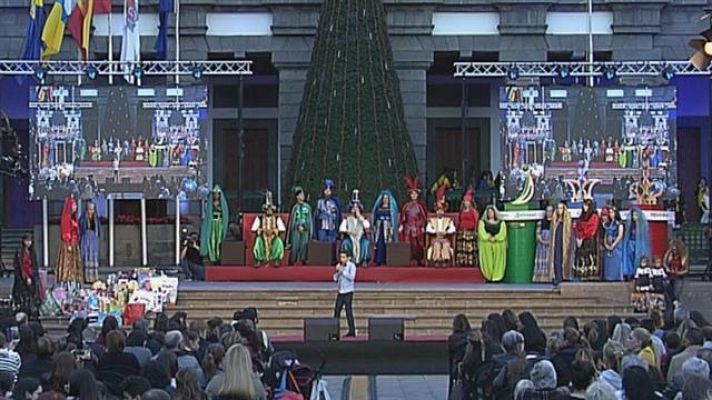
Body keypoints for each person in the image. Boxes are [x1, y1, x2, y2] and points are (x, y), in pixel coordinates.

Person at [97, 330, 141, 395]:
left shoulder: (102, 358)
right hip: (127, 391)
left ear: (107, 343)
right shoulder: (131, 357)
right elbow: (138, 375)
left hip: (107, 391)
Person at [251, 191, 286, 267]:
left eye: (270, 209)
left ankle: (276, 260)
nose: (269, 210)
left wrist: (275, 230)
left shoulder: (276, 218)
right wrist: (260, 230)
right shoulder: (260, 218)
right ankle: (259, 260)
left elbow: (282, 228)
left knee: (279, 241)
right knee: (258, 241)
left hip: (273, 237)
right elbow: (253, 228)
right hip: (263, 237)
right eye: (267, 209)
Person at [399, 175, 428, 266]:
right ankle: (408, 259)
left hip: (418, 227)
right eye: (412, 194)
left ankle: (419, 259)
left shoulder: (420, 206)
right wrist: (401, 225)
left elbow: (423, 217)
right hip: (408, 227)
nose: (414, 195)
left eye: (415, 194)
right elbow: (403, 217)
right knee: (408, 244)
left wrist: (423, 226)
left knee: (418, 245)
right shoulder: (406, 206)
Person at [56, 197, 83, 288]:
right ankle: (65, 283)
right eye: (74, 205)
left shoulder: (73, 217)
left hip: (74, 243)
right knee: (67, 264)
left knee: (74, 264)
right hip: (68, 245)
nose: (75, 207)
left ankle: (74, 283)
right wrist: (69, 244)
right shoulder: (66, 217)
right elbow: (65, 231)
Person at [339, 190, 370, 267]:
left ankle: (363, 260)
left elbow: (367, 226)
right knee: (345, 243)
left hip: (360, 238)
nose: (355, 210)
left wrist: (360, 217)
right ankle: (349, 260)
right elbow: (341, 229)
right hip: (350, 238)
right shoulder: (347, 218)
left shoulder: (363, 218)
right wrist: (349, 232)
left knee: (365, 243)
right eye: (353, 208)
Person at [12, 234, 40, 318]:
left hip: (31, 277)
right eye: (27, 241)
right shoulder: (19, 253)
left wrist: (32, 276)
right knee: (21, 297)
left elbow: (34, 265)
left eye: (30, 241)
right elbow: (19, 266)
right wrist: (25, 277)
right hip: (21, 278)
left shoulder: (32, 252)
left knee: (31, 296)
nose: (28, 243)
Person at [200, 185, 229, 265]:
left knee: (219, 240)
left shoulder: (222, 203)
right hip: (212, 223)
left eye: (217, 194)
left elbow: (225, 213)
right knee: (212, 239)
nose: (216, 195)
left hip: (219, 224)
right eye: (215, 193)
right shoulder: (210, 203)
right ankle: (212, 257)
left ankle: (219, 257)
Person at [478, 205, 507, 282]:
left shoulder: (501, 223)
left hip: (498, 244)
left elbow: (503, 233)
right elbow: (481, 233)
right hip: (487, 244)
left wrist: (496, 238)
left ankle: (497, 277)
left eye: (492, 212)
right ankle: (489, 276)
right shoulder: (482, 222)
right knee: (488, 261)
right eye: (489, 212)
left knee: (498, 261)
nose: (490, 214)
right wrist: (489, 237)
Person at [285, 186, 313, 266]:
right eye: (300, 195)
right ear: (297, 197)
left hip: (305, 229)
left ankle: (304, 259)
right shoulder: (295, 208)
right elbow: (292, 221)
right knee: (295, 245)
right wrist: (297, 226)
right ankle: (292, 260)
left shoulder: (307, 207)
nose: (302, 196)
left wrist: (305, 226)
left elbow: (309, 219)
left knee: (304, 244)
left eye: (303, 194)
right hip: (296, 229)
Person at [573, 198, 600, 280]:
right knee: (581, 257)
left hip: (590, 241)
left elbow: (592, 230)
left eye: (586, 205)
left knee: (590, 257)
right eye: (584, 205)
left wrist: (583, 236)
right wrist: (579, 237)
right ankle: (581, 275)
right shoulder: (581, 216)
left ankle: (591, 275)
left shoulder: (594, 216)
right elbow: (577, 227)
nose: (584, 207)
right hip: (581, 241)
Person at [425, 196, 456, 267]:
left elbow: (453, 229)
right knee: (436, 244)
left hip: (444, 238)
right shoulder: (432, 220)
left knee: (446, 245)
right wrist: (435, 231)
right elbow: (428, 229)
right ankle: (436, 261)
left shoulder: (448, 220)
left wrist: (446, 232)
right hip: (436, 238)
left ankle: (445, 260)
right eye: (438, 211)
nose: (440, 212)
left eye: (441, 210)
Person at [370, 190, 398, 266]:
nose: (385, 200)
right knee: (379, 245)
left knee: (388, 244)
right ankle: (379, 260)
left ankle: (387, 260)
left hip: (388, 229)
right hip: (380, 229)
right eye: (384, 198)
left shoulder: (391, 209)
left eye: (386, 198)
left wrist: (392, 228)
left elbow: (394, 219)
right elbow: (374, 217)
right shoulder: (378, 208)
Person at [623, 208, 651, 281]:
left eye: (636, 215)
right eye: (633, 215)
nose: (635, 217)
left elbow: (644, 236)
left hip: (639, 243)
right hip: (631, 243)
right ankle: (630, 273)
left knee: (639, 257)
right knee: (630, 258)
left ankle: (637, 273)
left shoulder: (643, 225)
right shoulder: (629, 225)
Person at [333, 251, 356, 337]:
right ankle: (334, 331)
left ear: (348, 258)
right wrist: (338, 272)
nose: (342, 259)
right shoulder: (340, 266)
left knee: (348, 311)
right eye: (341, 257)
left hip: (348, 291)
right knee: (337, 311)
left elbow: (352, 278)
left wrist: (343, 272)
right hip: (340, 291)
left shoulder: (351, 266)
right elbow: (335, 278)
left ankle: (352, 331)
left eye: (343, 257)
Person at [314, 179, 342, 249]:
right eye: (326, 189)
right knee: (322, 246)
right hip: (322, 227)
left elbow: (339, 216)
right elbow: (315, 217)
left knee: (331, 246)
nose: (327, 192)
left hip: (332, 227)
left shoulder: (335, 202)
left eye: (329, 190)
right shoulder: (319, 202)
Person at [549, 201, 573, 284]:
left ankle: (565, 276)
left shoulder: (567, 219)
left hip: (565, 242)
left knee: (565, 257)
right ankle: (557, 277)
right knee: (556, 258)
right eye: (558, 208)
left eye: (561, 208)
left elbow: (569, 232)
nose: (559, 210)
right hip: (556, 242)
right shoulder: (554, 219)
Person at [448, 314, 471, 396]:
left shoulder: (452, 338)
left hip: (457, 366)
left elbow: (451, 357)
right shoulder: (471, 337)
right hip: (470, 366)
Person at [456, 189, 479, 267]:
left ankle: (471, 262)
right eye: (465, 201)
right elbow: (459, 219)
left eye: (467, 201)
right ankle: (462, 261)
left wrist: (476, 230)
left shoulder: (473, 211)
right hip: (462, 232)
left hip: (470, 232)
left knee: (469, 248)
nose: (465, 203)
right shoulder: (462, 211)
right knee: (462, 248)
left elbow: (476, 221)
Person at [79, 201, 100, 283]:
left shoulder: (96, 219)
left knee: (93, 258)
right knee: (85, 257)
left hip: (93, 240)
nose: (91, 211)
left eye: (92, 209)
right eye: (89, 209)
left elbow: (98, 230)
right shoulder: (83, 219)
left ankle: (94, 278)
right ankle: (86, 278)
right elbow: (81, 230)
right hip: (86, 239)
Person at [602, 206, 625, 281]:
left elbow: (620, 235)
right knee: (608, 261)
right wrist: (606, 244)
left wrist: (613, 245)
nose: (611, 214)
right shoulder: (608, 224)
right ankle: (608, 277)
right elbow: (606, 234)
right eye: (610, 212)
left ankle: (617, 277)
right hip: (608, 244)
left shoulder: (619, 223)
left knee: (616, 261)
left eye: (612, 212)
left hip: (616, 245)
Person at [663, 239, 688, 307]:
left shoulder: (682, 257)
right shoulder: (669, 255)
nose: (674, 251)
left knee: (676, 294)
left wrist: (679, 273)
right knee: (669, 294)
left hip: (678, 277)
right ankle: (670, 308)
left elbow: (686, 270)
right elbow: (665, 263)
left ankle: (677, 309)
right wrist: (667, 269)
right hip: (670, 276)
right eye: (673, 249)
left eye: (675, 249)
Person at [532, 205, 554, 282]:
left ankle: (551, 277)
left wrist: (550, 241)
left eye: (551, 211)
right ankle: (540, 278)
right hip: (542, 246)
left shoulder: (555, 223)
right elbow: (538, 234)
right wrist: (543, 241)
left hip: (552, 246)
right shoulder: (541, 222)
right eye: (548, 211)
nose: (549, 213)